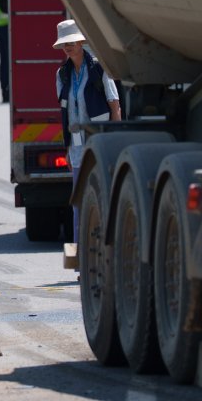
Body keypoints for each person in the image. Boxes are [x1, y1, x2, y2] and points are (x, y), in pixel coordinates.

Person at [53, 19, 121, 240]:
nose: (68, 47)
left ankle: (102, 250)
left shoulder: (99, 69)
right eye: (64, 44)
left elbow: (114, 106)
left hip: (99, 145)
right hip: (76, 150)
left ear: (81, 42)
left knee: (101, 199)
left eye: (71, 42)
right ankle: (81, 254)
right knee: (79, 204)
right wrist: (67, 148)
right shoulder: (62, 75)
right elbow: (65, 113)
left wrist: (114, 142)